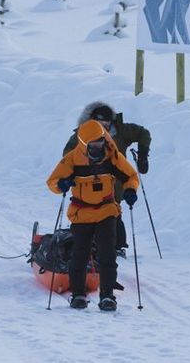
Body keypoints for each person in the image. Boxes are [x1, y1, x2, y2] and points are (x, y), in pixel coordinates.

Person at [47, 119, 140, 311]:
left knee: (107, 256)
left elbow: (130, 176)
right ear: (83, 144)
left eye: (100, 142)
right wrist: (62, 185)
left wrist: (130, 190)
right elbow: (52, 181)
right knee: (79, 255)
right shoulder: (72, 159)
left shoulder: (112, 156)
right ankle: (78, 295)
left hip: (106, 212)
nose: (98, 147)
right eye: (93, 144)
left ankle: (107, 297)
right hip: (81, 214)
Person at [63, 102, 151, 256]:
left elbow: (143, 133)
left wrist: (143, 154)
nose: (103, 127)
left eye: (107, 123)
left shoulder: (121, 131)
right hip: (87, 183)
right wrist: (72, 171)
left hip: (115, 183)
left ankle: (115, 247)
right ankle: (85, 245)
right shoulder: (82, 134)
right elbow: (68, 153)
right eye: (99, 123)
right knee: (87, 212)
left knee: (112, 211)